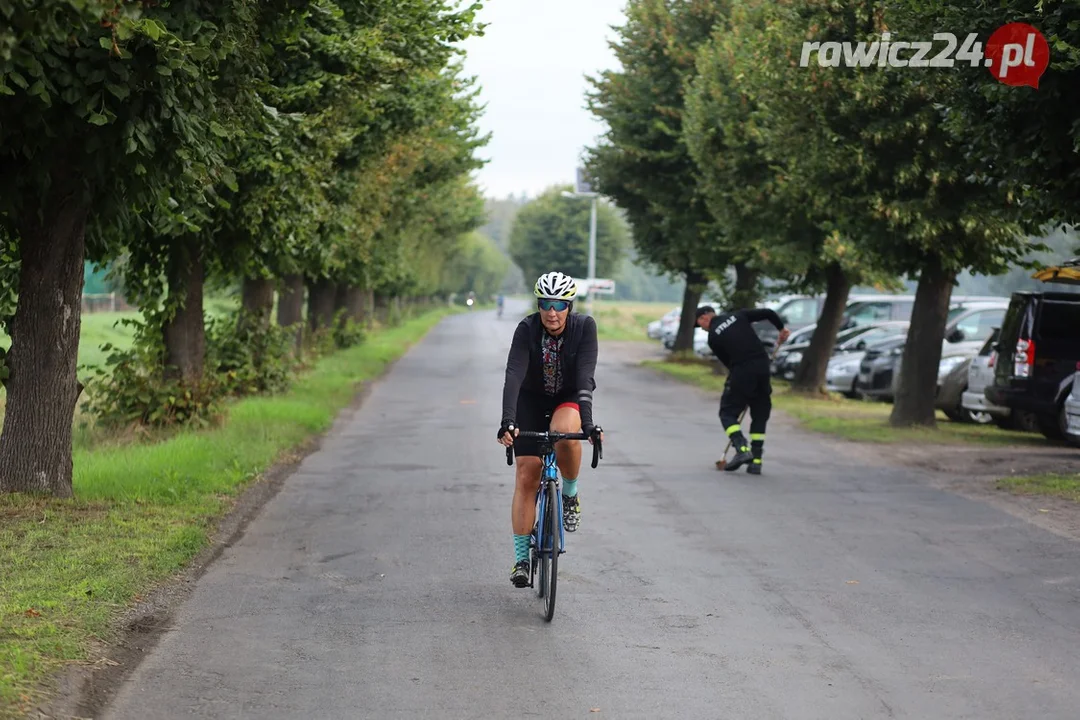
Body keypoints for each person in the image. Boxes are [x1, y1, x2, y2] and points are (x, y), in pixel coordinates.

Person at [497, 271, 603, 588]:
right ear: (539, 304)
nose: (552, 312)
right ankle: (521, 560)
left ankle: (569, 494)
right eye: (545, 303)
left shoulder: (584, 328)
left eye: (559, 304)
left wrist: (588, 423)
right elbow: (513, 375)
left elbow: (585, 376)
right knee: (527, 473)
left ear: (569, 305)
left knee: (566, 435)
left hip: (567, 398)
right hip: (531, 400)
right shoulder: (527, 329)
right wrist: (508, 420)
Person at [695, 305, 790, 474]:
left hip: (742, 372)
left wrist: (739, 383)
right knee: (760, 413)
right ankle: (756, 461)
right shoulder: (738, 315)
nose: (702, 328)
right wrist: (781, 329)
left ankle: (741, 449)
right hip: (762, 367)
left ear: (704, 318)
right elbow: (768, 313)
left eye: (699, 324)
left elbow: (729, 363)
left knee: (727, 413)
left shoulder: (713, 338)